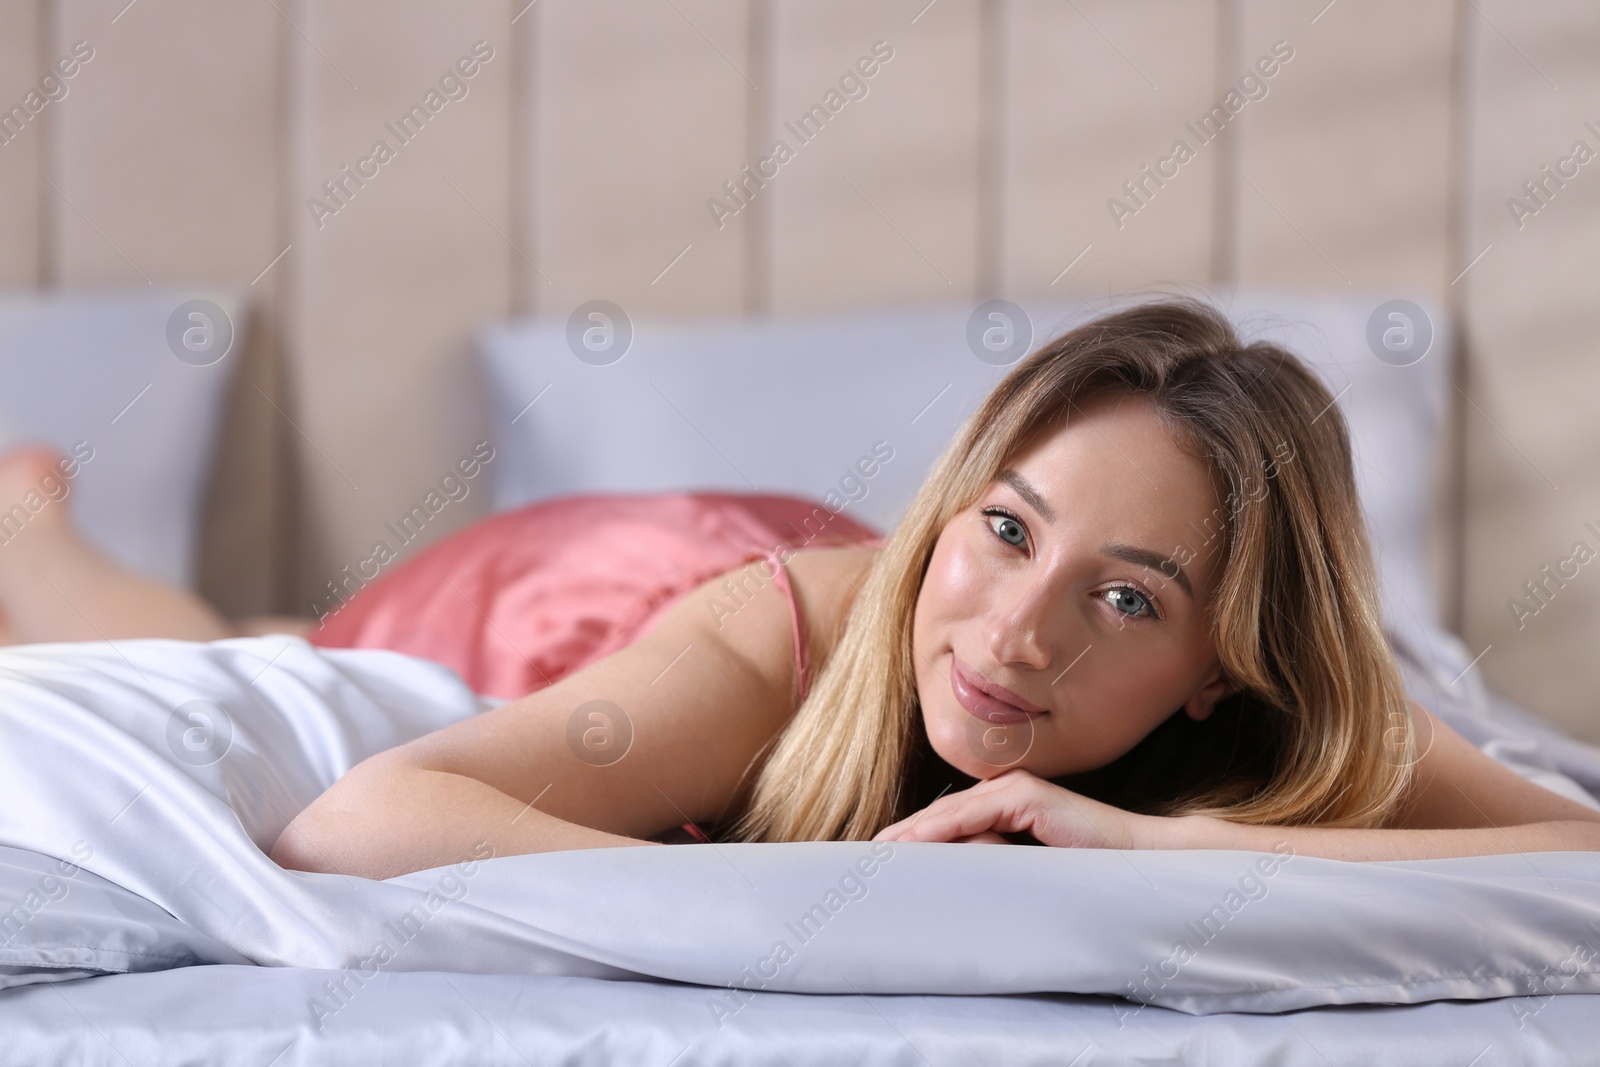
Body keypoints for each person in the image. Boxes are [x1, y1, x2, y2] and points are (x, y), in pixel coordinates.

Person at [1, 298, 1596, 881]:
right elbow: (351, 821)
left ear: (1216, 668)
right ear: (952, 508)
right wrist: (824, 902)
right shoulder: (777, 638)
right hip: (594, 592)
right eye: (1011, 527)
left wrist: (1172, 844)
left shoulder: (1275, 725)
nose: (1013, 634)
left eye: (1129, 600)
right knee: (266, 654)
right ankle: (27, 529)